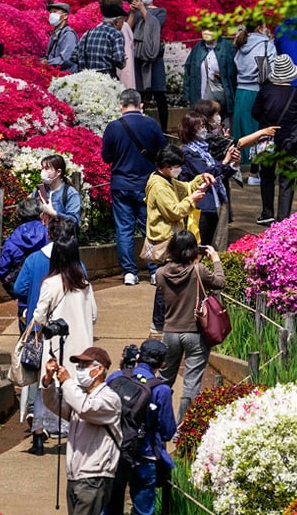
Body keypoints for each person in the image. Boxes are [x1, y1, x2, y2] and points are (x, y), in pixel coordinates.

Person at [30, 230, 98, 456]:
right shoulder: (85, 283)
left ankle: (42, 434)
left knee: (49, 391)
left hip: (56, 349)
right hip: (84, 350)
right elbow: (94, 316)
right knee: (79, 393)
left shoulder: (51, 283)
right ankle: (79, 434)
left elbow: (38, 318)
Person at [13, 217, 79, 430]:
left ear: (48, 235)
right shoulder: (75, 263)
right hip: (67, 331)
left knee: (37, 372)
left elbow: (18, 288)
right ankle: (62, 420)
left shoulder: (33, 259)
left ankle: (34, 414)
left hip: (39, 330)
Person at [41, 346, 121, 515]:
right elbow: (56, 405)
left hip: (94, 475)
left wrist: (67, 383)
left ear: (99, 369)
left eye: (85, 365)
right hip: (76, 474)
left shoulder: (109, 398)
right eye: (79, 365)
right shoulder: (81, 396)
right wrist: (49, 381)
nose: (80, 369)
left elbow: (85, 409)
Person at [157, 230, 225, 421]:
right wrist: (215, 260)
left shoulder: (160, 274)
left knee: (163, 380)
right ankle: (182, 427)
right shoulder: (198, 270)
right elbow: (220, 282)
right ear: (194, 250)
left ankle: (159, 421)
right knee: (191, 384)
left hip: (170, 333)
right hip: (195, 333)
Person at [145, 145, 214, 333]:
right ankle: (158, 322)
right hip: (165, 239)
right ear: (166, 165)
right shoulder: (159, 186)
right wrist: (192, 200)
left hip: (172, 239)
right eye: (176, 166)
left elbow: (186, 187)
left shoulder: (167, 179)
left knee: (168, 280)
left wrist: (201, 179)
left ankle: (163, 320)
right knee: (164, 281)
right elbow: (174, 212)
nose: (179, 170)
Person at [102, 89, 167, 286]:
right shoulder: (151, 124)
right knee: (150, 227)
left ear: (121, 105)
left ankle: (129, 272)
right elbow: (162, 153)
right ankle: (155, 271)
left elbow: (106, 157)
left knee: (124, 230)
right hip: (147, 184)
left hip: (121, 184)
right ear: (141, 105)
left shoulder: (113, 127)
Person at [104, 339, 177, 515]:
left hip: (115, 452)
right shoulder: (162, 390)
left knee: (109, 506)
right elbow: (168, 431)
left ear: (138, 357)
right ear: (162, 363)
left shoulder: (116, 377)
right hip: (144, 456)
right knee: (143, 510)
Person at [252, 55, 297, 224]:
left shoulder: (265, 91)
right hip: (290, 141)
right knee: (287, 180)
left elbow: (255, 113)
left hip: (266, 139)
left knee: (267, 176)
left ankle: (267, 213)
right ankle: (283, 218)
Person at [177, 112, 239, 247]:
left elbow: (219, 174)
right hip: (200, 206)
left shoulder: (204, 150)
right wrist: (225, 161)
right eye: (200, 127)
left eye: (204, 126)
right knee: (201, 242)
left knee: (213, 243)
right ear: (190, 129)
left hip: (214, 201)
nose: (204, 129)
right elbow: (207, 173)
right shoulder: (188, 152)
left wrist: (233, 164)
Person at [232, 20, 277, 185]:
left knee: (242, 132)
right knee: (259, 132)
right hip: (258, 91)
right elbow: (267, 71)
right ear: (260, 27)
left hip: (241, 91)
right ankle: (254, 173)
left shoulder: (239, 42)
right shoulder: (266, 45)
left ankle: (235, 166)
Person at [128, 0, 169, 129]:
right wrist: (133, 11)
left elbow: (154, 25)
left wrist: (143, 9)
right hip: (137, 55)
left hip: (153, 56)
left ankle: (163, 128)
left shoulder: (160, 11)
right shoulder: (137, 11)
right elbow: (128, 28)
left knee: (159, 93)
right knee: (138, 92)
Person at [0, 198, 49, 307]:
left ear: (19, 216)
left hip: (24, 297)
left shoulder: (12, 240)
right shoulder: (49, 234)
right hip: (50, 294)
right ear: (41, 214)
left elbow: (2, 270)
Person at [183, 28, 237, 127]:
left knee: (225, 123)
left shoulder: (227, 47)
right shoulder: (197, 48)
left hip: (223, 96)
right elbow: (188, 70)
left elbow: (236, 71)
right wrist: (187, 94)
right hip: (202, 93)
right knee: (203, 121)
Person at [73, 0, 126, 78]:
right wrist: (123, 61)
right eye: (123, 21)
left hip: (85, 81)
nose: (123, 24)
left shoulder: (88, 33)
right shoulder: (116, 34)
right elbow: (119, 60)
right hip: (106, 81)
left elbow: (73, 57)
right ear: (117, 21)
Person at [38, 154, 82, 226]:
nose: (43, 172)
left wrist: (53, 213)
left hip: (61, 236)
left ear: (58, 172)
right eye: (42, 168)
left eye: (46, 168)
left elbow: (74, 221)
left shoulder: (71, 193)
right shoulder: (40, 190)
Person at [44, 0, 78, 71]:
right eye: (50, 12)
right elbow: (49, 56)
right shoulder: (55, 34)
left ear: (65, 16)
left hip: (66, 76)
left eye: (55, 12)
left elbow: (66, 58)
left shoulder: (69, 35)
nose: (51, 15)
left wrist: (47, 62)